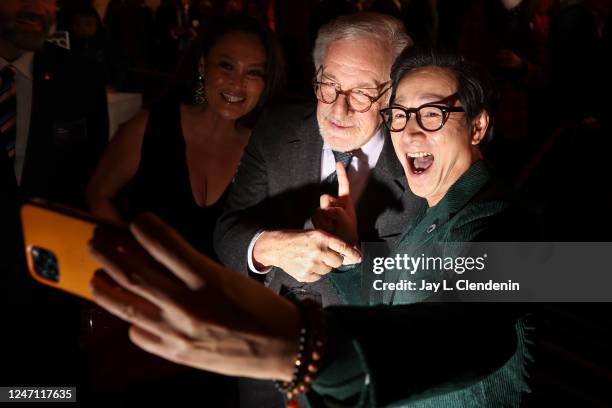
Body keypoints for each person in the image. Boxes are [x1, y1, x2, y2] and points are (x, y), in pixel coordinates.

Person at [88, 48, 529, 407]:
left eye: (431, 114)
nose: (410, 132)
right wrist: (350, 256)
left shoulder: (508, 221)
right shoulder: (438, 211)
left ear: (478, 125)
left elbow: (466, 334)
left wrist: (294, 348)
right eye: (399, 114)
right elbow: (400, 296)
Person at [214, 12, 424, 305]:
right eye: (329, 85)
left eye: (362, 93)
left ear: (393, 95)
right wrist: (268, 248)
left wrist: (353, 258)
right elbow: (228, 230)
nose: (339, 110)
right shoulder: (276, 128)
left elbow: (434, 284)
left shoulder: (422, 159)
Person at [86, 14, 285, 259]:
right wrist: (133, 259)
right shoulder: (150, 126)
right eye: (226, 66)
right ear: (203, 66)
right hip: (145, 290)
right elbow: (98, 194)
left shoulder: (263, 153)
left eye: (253, 73)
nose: (237, 83)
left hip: (222, 296)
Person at [1, 0, 109, 387]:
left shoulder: (80, 78)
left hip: (50, 292)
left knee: (48, 393)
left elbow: (92, 182)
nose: (34, 6)